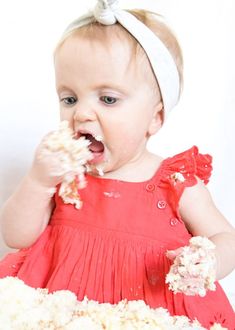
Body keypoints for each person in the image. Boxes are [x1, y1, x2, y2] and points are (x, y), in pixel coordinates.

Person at [0, 0, 235, 328]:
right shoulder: (65, 176)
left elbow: (226, 236)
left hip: (147, 314)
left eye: (108, 99)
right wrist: (38, 182)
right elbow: (16, 236)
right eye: (69, 98)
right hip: (61, 311)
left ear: (155, 118)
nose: (80, 113)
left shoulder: (176, 182)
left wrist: (209, 260)